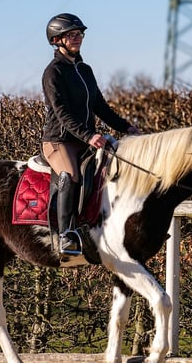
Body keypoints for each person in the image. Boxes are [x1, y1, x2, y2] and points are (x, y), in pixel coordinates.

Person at [41, 13, 140, 257]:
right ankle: (66, 235)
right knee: (71, 174)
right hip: (59, 141)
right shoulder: (53, 72)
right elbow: (61, 112)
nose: (78, 39)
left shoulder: (85, 70)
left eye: (80, 34)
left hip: (83, 139)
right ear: (57, 40)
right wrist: (88, 136)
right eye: (71, 35)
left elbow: (100, 106)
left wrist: (126, 127)